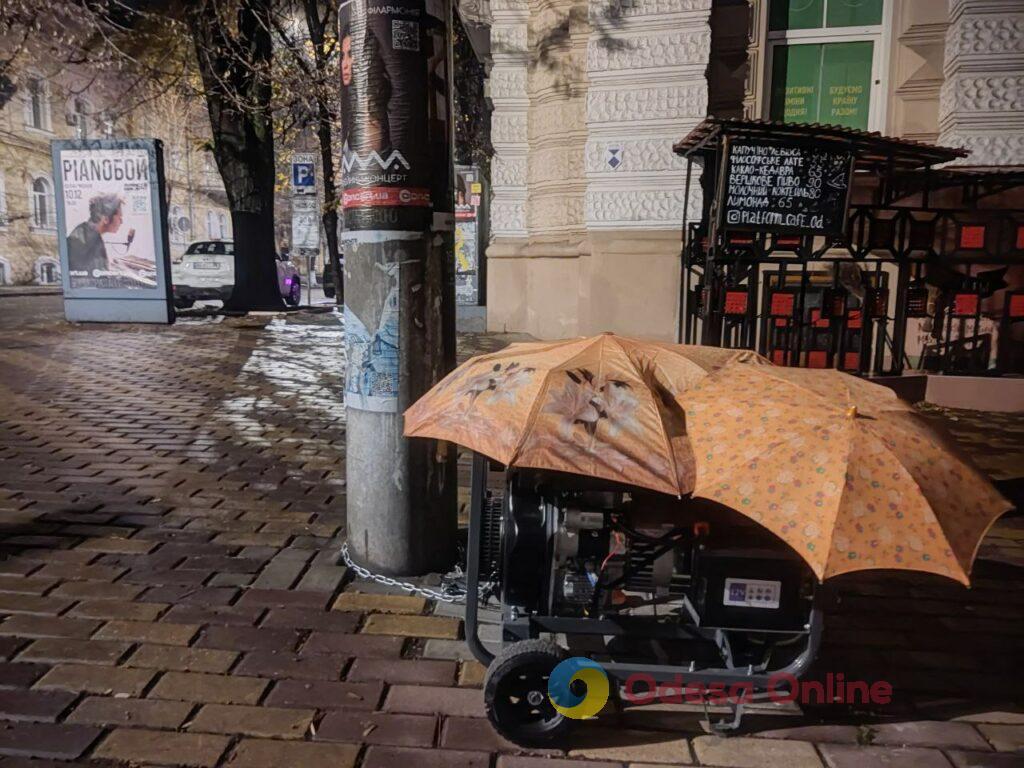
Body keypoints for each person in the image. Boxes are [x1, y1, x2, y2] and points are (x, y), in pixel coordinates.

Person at [66, 193, 123, 276]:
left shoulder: (88, 234)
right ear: (106, 219)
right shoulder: (85, 239)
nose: (121, 222)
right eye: (119, 217)